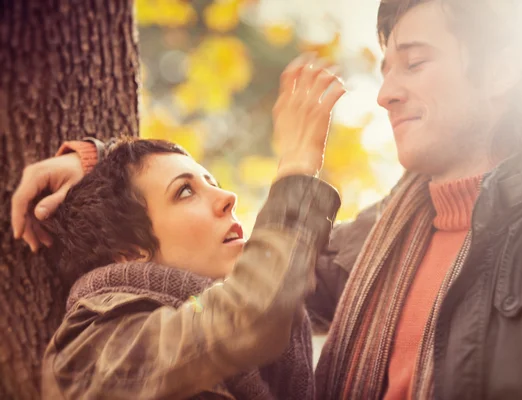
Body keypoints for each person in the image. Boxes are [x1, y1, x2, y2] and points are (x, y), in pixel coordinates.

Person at [11, 1, 522, 399]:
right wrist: (97, 167)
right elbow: (262, 288)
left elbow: (273, 275)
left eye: (414, 63)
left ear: (502, 70)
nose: (386, 93)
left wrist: (103, 165)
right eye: (387, 69)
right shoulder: (92, 351)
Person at [15, 57, 345, 399]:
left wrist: (100, 159)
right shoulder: (92, 353)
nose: (227, 197)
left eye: (213, 182)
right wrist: (296, 167)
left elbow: (357, 254)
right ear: (129, 252)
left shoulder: (208, 307)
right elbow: (247, 310)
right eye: (185, 191)